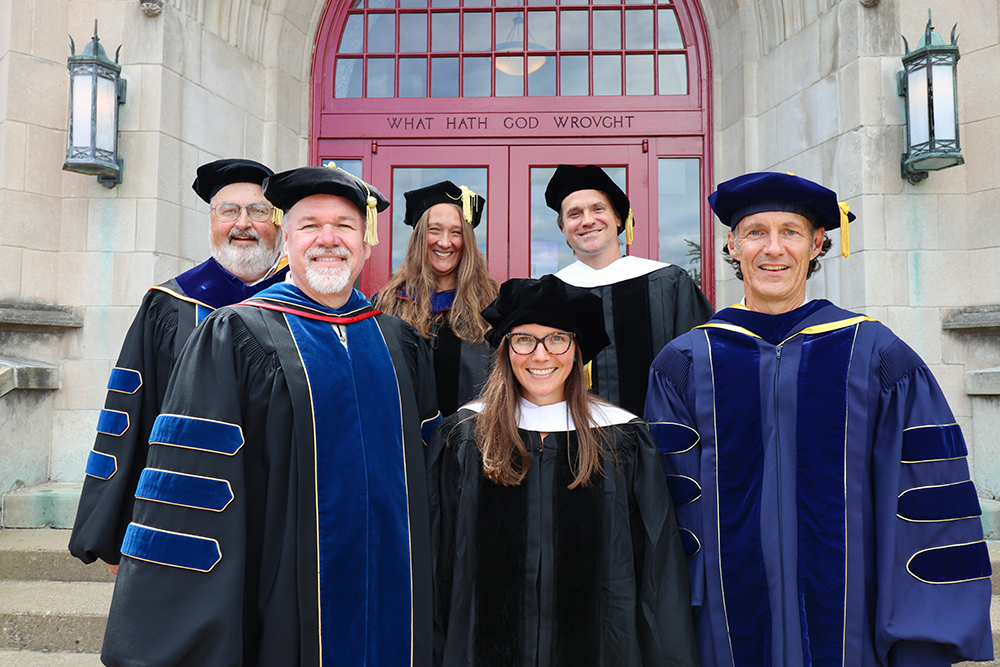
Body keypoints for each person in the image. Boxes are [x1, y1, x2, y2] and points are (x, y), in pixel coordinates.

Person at [644, 171, 993, 667]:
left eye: (790, 231)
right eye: (756, 233)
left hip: (853, 626)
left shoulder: (877, 356)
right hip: (723, 630)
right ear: (732, 245)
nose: (773, 248)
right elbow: (667, 510)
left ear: (817, 244)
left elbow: (926, 496)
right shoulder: (683, 363)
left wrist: (920, 635)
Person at [100, 165, 438, 667]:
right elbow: (193, 484)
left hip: (394, 590)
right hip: (280, 596)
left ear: (366, 243)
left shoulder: (397, 342)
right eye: (309, 226)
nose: (329, 239)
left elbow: (428, 472)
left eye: (345, 225)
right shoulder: (235, 335)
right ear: (288, 242)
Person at [428, 274, 699, 667]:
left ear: (576, 351)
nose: (540, 356)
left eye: (557, 338)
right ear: (505, 349)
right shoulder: (464, 438)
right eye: (524, 339)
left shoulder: (621, 440)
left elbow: (658, 575)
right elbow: (437, 569)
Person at [69, 158, 287, 574]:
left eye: (259, 211)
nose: (244, 223)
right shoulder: (168, 305)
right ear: (211, 221)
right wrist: (114, 530)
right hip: (187, 510)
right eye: (229, 211)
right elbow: (129, 416)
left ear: (278, 223)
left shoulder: (302, 305)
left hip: (281, 506)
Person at [545, 164, 714, 415]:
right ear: (564, 229)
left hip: (659, 442)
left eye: (598, 209)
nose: (587, 220)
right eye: (574, 214)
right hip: (573, 442)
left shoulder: (669, 284)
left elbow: (702, 370)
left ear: (618, 219)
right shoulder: (549, 296)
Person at [377, 181, 498, 416]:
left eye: (456, 232)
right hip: (406, 445)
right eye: (434, 230)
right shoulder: (387, 305)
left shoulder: (492, 306)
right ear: (420, 237)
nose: (445, 242)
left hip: (473, 444)